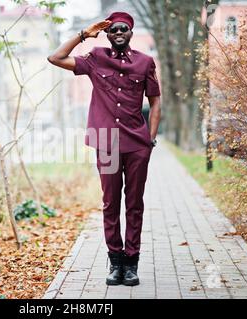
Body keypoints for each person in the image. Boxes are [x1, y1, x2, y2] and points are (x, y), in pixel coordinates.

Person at [47, 12, 161, 286]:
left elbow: (155, 102)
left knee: (134, 204)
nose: (118, 32)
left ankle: (131, 264)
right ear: (108, 35)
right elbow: (56, 57)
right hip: (107, 142)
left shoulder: (145, 62)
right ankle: (115, 261)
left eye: (123, 28)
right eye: (113, 30)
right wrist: (85, 33)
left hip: (136, 145)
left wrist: (150, 138)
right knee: (111, 202)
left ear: (131, 33)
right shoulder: (96, 58)